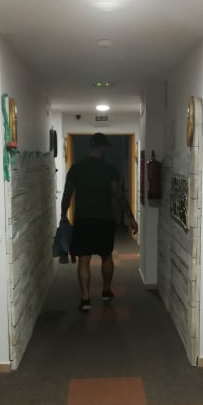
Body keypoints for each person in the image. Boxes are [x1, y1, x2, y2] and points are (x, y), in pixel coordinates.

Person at [60, 132, 138, 311]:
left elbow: (67, 194)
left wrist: (63, 215)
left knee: (83, 259)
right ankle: (106, 291)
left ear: (91, 146)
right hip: (104, 219)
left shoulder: (76, 168)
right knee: (106, 256)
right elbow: (119, 196)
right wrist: (131, 218)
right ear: (103, 148)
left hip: (83, 220)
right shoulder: (109, 169)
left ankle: (86, 300)